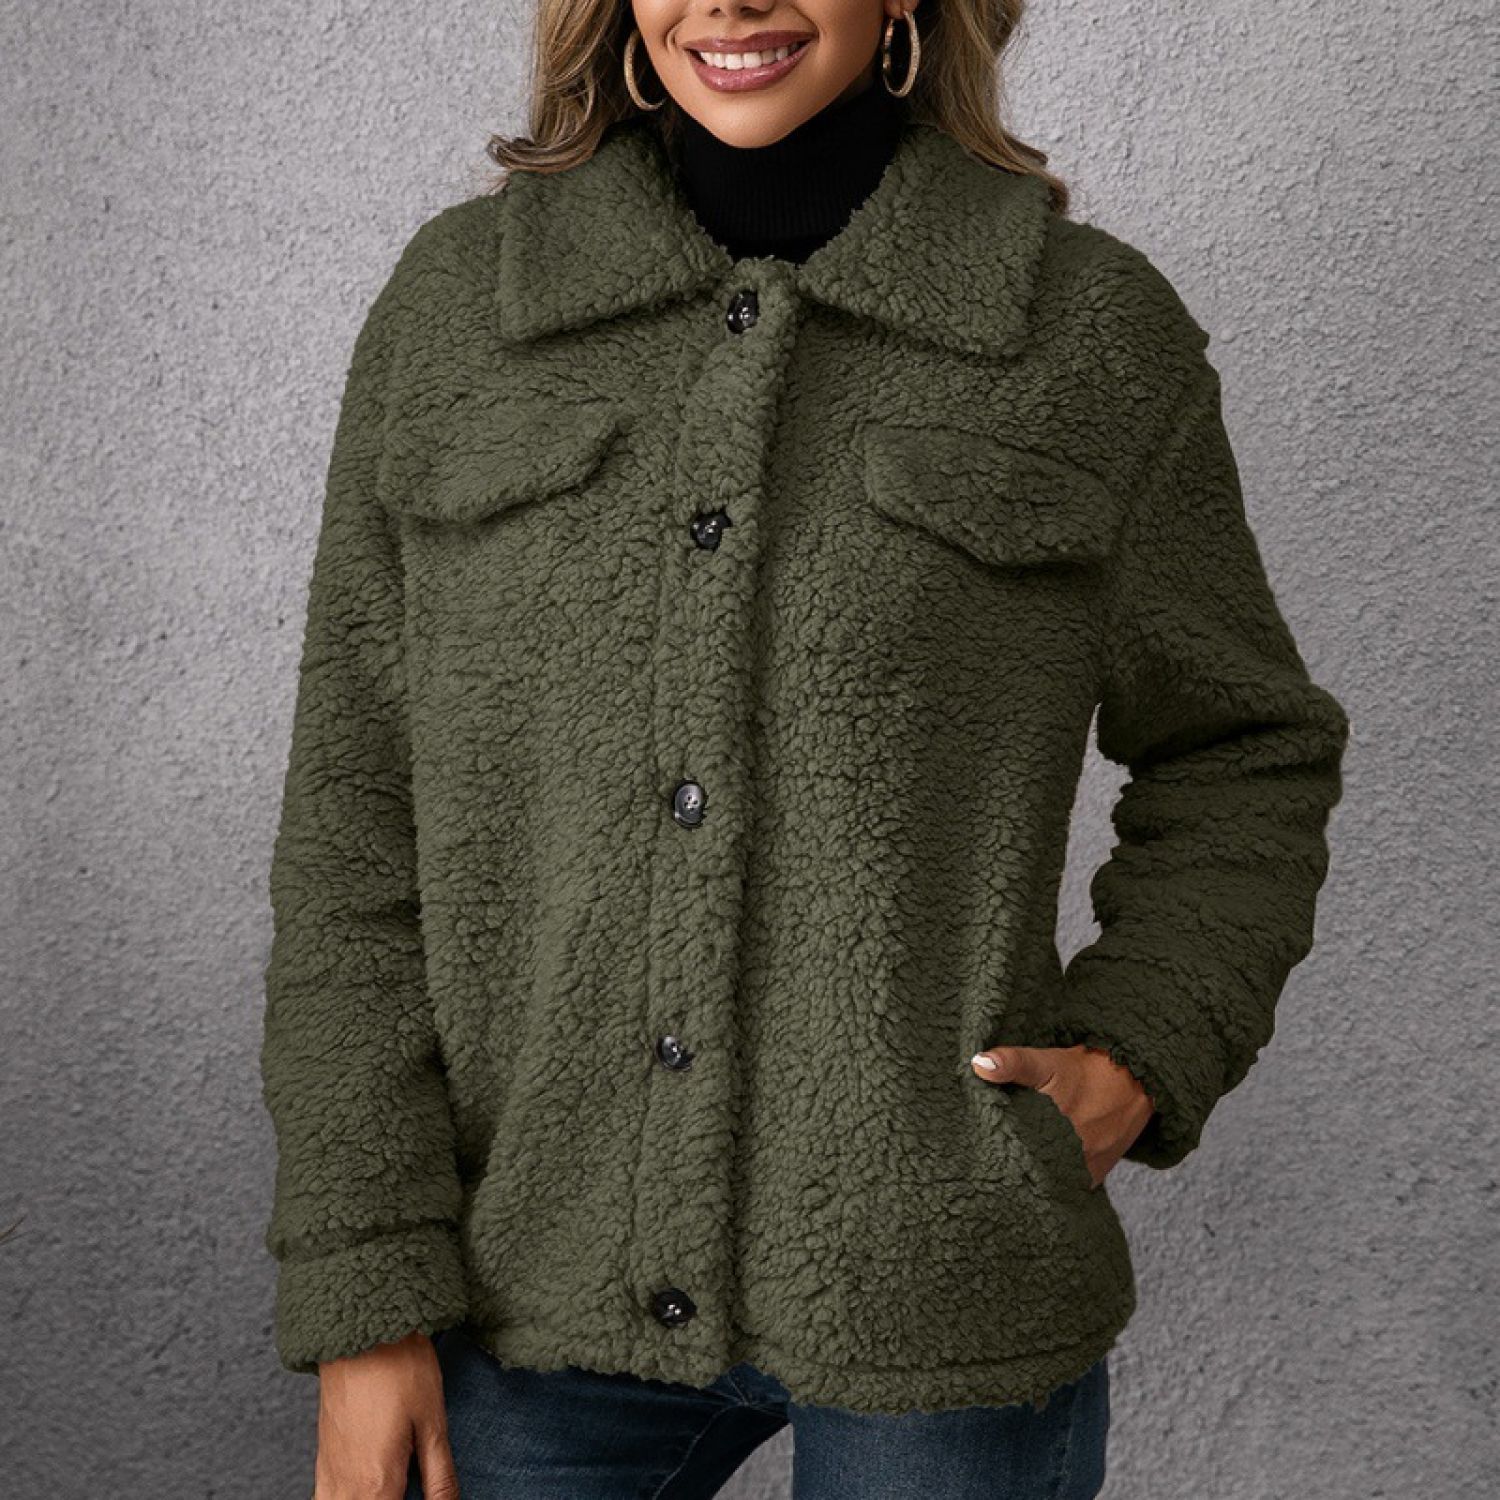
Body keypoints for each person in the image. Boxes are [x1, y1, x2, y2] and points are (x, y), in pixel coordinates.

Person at [258, 2, 1351, 1496]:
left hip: (942, 1288)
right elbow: (352, 829)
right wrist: (364, 1296)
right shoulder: (461, 310)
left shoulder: (1088, 331)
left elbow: (1247, 749)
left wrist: (1141, 1052)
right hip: (526, 1276)